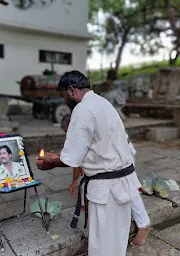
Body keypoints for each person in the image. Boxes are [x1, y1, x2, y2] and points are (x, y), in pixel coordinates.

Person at [36, 70, 148, 256]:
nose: (64, 100)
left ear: (71, 90)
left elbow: (74, 157)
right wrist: (60, 158)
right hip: (122, 182)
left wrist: (52, 162)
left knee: (102, 244)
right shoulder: (103, 103)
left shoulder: (82, 109)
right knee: (117, 239)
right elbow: (94, 148)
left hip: (107, 188)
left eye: (63, 95)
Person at [61, 113, 150, 247]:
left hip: (123, 156)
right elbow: (79, 160)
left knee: (129, 188)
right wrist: (74, 181)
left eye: (70, 132)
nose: (70, 136)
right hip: (108, 157)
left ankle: (143, 225)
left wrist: (75, 179)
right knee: (96, 180)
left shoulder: (91, 126)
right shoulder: (81, 130)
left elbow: (79, 161)